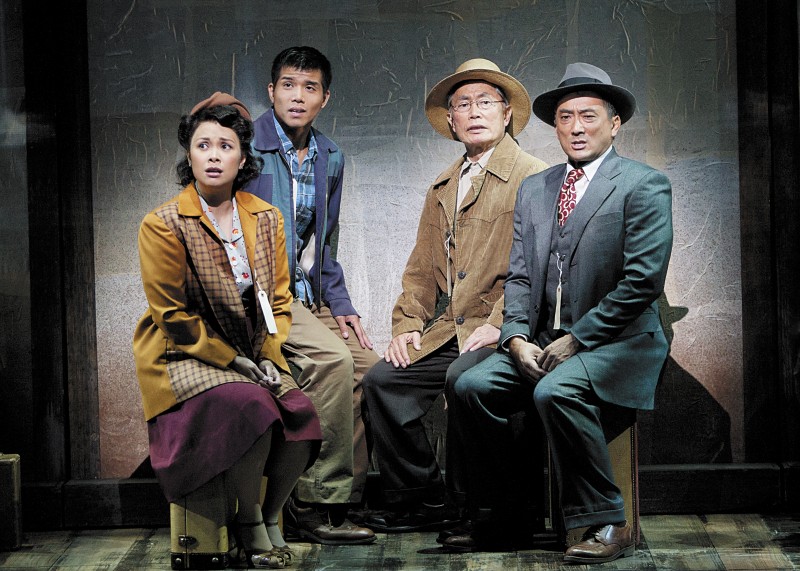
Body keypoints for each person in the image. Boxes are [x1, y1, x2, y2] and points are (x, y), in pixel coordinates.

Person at [444, 62, 673, 561]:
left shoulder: (643, 185)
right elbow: (521, 277)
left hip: (620, 342)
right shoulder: (538, 187)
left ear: (614, 124)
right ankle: (506, 517)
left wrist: (578, 338)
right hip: (546, 339)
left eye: (588, 116)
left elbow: (641, 284)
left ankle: (607, 521)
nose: (575, 127)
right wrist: (517, 336)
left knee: (555, 389)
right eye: (565, 117)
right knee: (471, 386)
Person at [133, 92, 322, 568]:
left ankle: (274, 516)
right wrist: (235, 360)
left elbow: (277, 301)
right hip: (182, 352)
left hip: (249, 349)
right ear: (189, 156)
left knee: (301, 416)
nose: (214, 155)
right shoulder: (163, 224)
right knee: (252, 406)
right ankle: (250, 523)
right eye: (203, 145)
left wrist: (267, 352)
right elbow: (172, 315)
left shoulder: (265, 217)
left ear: (243, 158)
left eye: (225, 146)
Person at [361, 58, 548, 533]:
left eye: (486, 102)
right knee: (384, 381)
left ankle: (479, 509)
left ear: (507, 114)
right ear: (451, 120)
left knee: (465, 381)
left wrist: (505, 324)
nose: (474, 111)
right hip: (453, 328)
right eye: (463, 104)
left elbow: (541, 269)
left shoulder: (534, 176)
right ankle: (420, 499)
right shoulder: (443, 185)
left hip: (508, 328)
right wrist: (406, 326)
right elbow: (422, 270)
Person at [247, 46, 378, 545]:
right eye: (287, 85)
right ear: (271, 91)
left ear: (325, 97)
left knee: (371, 369)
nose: (296, 96)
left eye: (309, 87)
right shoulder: (246, 145)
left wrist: (340, 305)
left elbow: (323, 244)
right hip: (262, 298)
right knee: (333, 363)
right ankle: (313, 505)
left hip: (307, 296)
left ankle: (346, 502)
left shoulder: (330, 156)